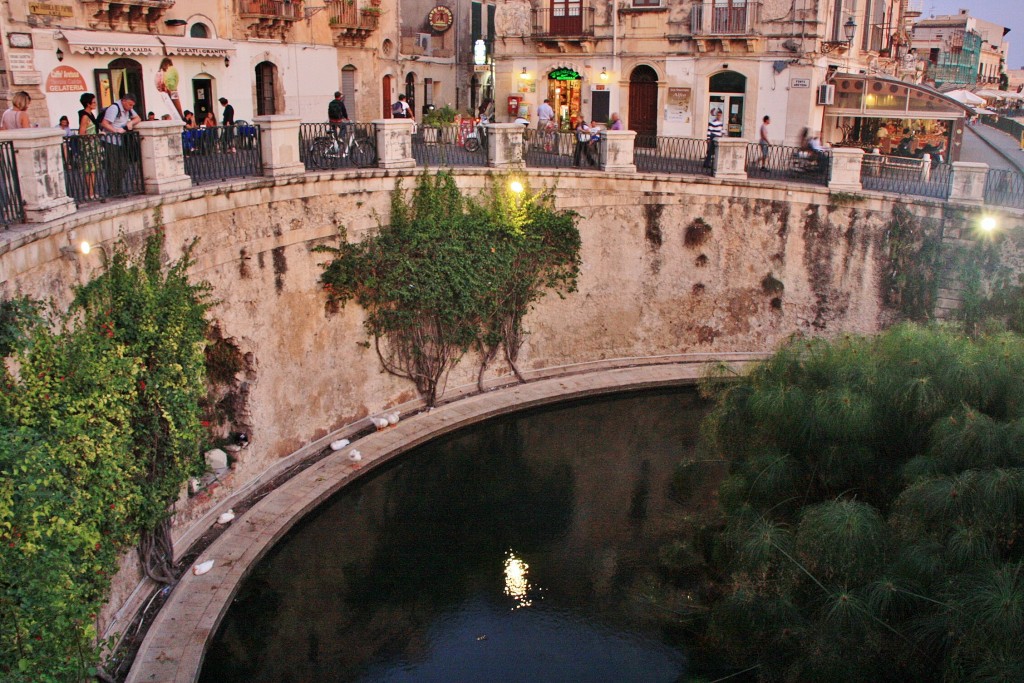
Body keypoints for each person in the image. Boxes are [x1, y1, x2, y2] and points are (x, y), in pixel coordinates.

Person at [99, 92, 142, 196]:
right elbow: (104, 123)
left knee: (123, 165)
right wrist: (115, 130)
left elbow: (138, 118)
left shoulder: (128, 109)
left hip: (121, 141)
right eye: (129, 104)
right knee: (114, 165)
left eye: (132, 105)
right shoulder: (114, 108)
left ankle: (117, 188)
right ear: (123, 101)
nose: (130, 107)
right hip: (111, 141)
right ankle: (113, 190)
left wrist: (130, 123)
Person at [75, 93, 101, 199]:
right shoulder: (85, 117)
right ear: (88, 103)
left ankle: (92, 192)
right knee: (89, 170)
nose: (95, 104)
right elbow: (81, 133)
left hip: (93, 145)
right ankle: (90, 193)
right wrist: (95, 135)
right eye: (93, 102)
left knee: (92, 170)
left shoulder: (90, 115)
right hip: (88, 146)